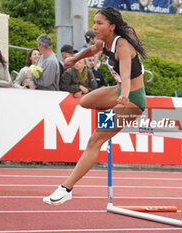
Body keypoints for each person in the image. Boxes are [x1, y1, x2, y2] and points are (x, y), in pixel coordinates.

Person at [43, 7, 147, 206]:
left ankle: (66, 189)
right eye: (94, 23)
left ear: (112, 26)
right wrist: (74, 59)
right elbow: (92, 50)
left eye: (100, 23)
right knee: (85, 101)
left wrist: (124, 96)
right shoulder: (103, 42)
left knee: (94, 140)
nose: (95, 27)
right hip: (117, 92)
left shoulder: (122, 46)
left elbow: (125, 76)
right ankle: (113, 116)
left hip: (132, 100)